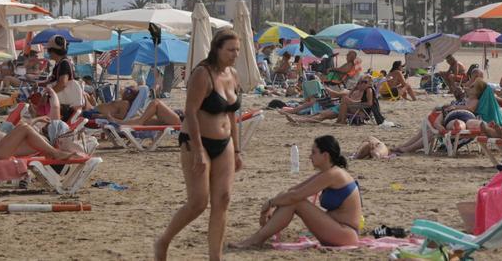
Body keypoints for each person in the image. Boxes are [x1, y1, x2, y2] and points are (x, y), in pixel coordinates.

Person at [154, 29, 244, 261]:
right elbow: (190, 112)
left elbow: (231, 114)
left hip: (224, 143)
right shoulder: (202, 74)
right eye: (230, 50)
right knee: (198, 202)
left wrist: (237, 149)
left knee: (223, 199)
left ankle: (216, 257)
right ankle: (163, 241)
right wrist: (199, 150)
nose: (235, 54)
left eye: (237, 50)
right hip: (196, 140)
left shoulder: (233, 74)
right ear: (217, 49)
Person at [232, 135, 362, 249]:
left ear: (325, 155)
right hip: (336, 230)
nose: (310, 156)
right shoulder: (327, 173)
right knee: (292, 199)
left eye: (313, 152)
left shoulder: (334, 174)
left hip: (345, 234)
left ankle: (257, 239)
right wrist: (274, 205)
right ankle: (258, 237)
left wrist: (270, 203)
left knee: (296, 201)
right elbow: (292, 190)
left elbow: (295, 196)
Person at [287, 76, 375, 124]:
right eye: (360, 82)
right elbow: (346, 96)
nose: (361, 84)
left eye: (365, 82)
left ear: (369, 84)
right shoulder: (354, 91)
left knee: (321, 116)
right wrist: (353, 89)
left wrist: (352, 102)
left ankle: (299, 121)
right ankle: (298, 119)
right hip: (340, 107)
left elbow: (365, 103)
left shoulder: (366, 92)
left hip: (344, 109)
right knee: (318, 113)